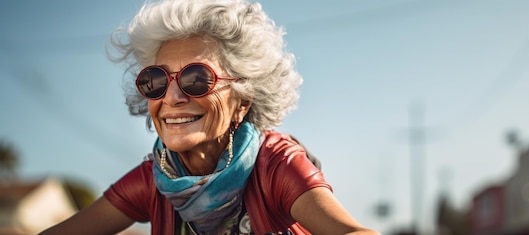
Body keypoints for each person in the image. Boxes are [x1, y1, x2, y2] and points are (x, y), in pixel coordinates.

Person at [40, 0, 378, 234]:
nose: (172, 97)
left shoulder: (275, 164)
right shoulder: (154, 178)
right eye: (156, 81)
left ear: (242, 102)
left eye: (197, 79)